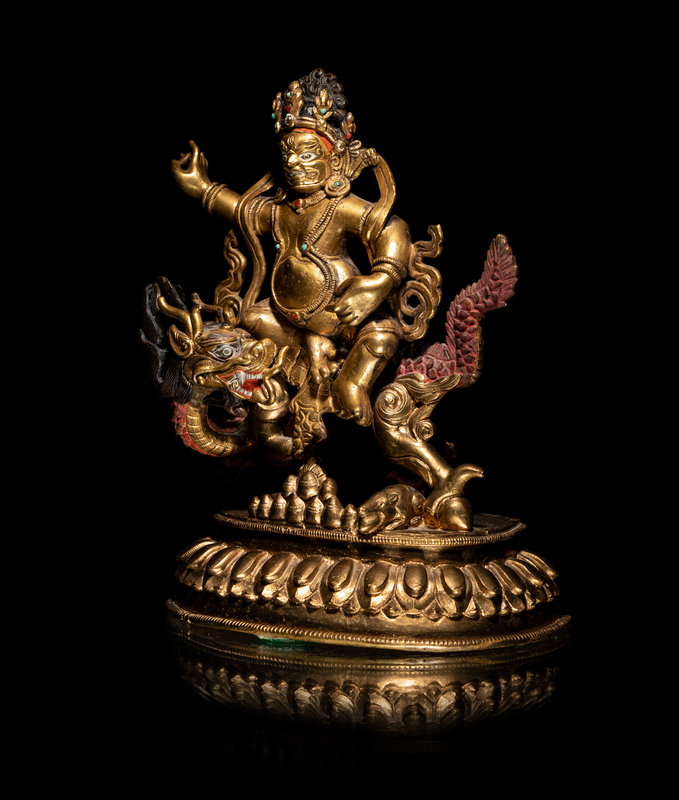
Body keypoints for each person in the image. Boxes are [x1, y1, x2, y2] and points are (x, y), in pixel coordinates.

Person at [171, 69, 418, 432]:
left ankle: (350, 383)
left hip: (342, 318)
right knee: (248, 319)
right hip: (287, 319)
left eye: (307, 154)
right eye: (287, 154)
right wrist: (202, 187)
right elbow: (244, 212)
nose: (292, 163)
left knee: (381, 335)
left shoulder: (341, 207)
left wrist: (379, 282)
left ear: (335, 159)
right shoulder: (281, 210)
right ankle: (309, 349)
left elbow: (392, 229)